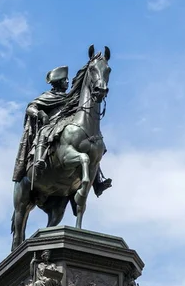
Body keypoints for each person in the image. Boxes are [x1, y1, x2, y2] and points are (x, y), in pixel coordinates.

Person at [12, 65, 111, 195]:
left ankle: (97, 181)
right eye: (65, 80)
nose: (67, 82)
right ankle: (39, 160)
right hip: (52, 124)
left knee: (93, 146)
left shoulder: (70, 97)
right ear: (58, 82)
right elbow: (31, 107)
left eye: (67, 80)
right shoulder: (48, 96)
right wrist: (39, 114)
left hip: (67, 123)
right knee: (43, 132)